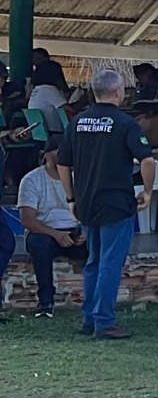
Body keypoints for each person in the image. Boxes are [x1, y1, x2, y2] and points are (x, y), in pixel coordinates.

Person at [55, 69, 157, 339]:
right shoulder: (125, 123)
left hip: (87, 201)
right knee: (110, 262)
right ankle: (104, 320)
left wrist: (71, 198)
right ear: (118, 92)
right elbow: (147, 160)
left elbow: (63, 162)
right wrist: (147, 191)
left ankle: (90, 317)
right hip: (116, 201)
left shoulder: (77, 122)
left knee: (94, 261)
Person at [18, 135, 87, 319]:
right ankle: (46, 303)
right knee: (39, 245)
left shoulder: (79, 178)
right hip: (46, 232)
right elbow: (27, 220)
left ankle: (97, 300)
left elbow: (90, 212)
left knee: (99, 244)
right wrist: (56, 234)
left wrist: (86, 232)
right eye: (60, 152)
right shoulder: (32, 180)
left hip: (75, 230)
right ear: (47, 155)